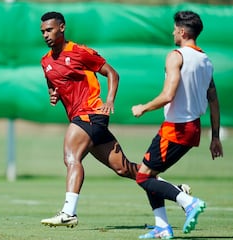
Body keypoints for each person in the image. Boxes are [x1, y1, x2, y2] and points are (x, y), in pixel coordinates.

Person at [39, 11, 190, 228]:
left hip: (90, 113)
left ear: (62, 28)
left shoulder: (79, 52)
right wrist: (54, 94)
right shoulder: (46, 62)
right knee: (125, 169)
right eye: (43, 31)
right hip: (83, 117)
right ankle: (178, 193)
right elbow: (54, 85)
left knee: (71, 158)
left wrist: (109, 100)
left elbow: (112, 73)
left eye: (50, 30)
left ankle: (68, 212)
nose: (46, 34)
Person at [132, 10, 223, 239]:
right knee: (150, 174)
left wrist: (144, 107)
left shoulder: (175, 55)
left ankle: (187, 201)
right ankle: (162, 227)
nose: (173, 32)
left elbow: (168, 94)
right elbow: (214, 100)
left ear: (182, 31)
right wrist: (215, 137)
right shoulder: (206, 60)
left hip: (176, 128)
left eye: (175, 29)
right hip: (193, 129)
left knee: (143, 177)